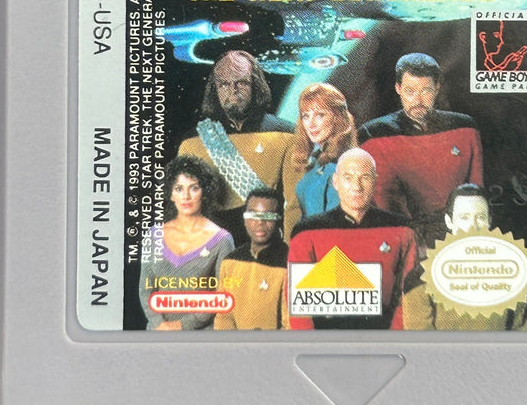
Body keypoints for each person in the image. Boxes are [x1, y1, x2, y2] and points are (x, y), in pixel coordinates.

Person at [357, 52, 484, 249]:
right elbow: (375, 199)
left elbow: (476, 190)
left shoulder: (465, 128)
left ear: (437, 88)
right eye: (410, 91)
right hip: (399, 238)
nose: (418, 100)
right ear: (398, 88)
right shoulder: (372, 134)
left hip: (458, 235)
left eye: (426, 91)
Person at [287, 148, 418, 330]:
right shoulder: (307, 232)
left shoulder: (402, 229)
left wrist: (392, 339)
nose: (357, 187)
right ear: (336, 182)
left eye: (365, 177)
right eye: (348, 178)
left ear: (375, 181)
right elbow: (299, 311)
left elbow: (409, 296)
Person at [176, 50, 299, 240]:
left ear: (255, 85)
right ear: (215, 89)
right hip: (213, 247)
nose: (233, 90)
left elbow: (295, 206)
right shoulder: (191, 143)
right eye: (224, 84)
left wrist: (291, 250)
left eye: (241, 82)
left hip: (270, 245)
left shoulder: (287, 134)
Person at [402, 183, 527, 331]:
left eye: (480, 217)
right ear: (449, 222)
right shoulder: (420, 279)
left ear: (489, 221)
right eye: (464, 217)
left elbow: (520, 334)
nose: (473, 226)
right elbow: (421, 341)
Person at [139, 154, 235, 331]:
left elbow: (222, 295)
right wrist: (160, 324)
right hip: (158, 333)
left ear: (204, 192)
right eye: (179, 188)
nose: (186, 196)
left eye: (194, 188)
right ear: (171, 194)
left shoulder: (223, 240)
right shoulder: (153, 235)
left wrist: (181, 325)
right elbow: (145, 290)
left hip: (201, 336)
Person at [214, 187, 289, 330]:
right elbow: (224, 316)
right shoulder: (230, 261)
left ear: (279, 220)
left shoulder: (290, 264)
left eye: (268, 215)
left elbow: (293, 326)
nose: (260, 222)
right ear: (244, 220)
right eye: (253, 215)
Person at [291, 83, 358, 222]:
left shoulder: (342, 166)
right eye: (306, 116)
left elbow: (340, 226)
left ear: (337, 118)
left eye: (320, 115)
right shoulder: (316, 161)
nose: (311, 124)